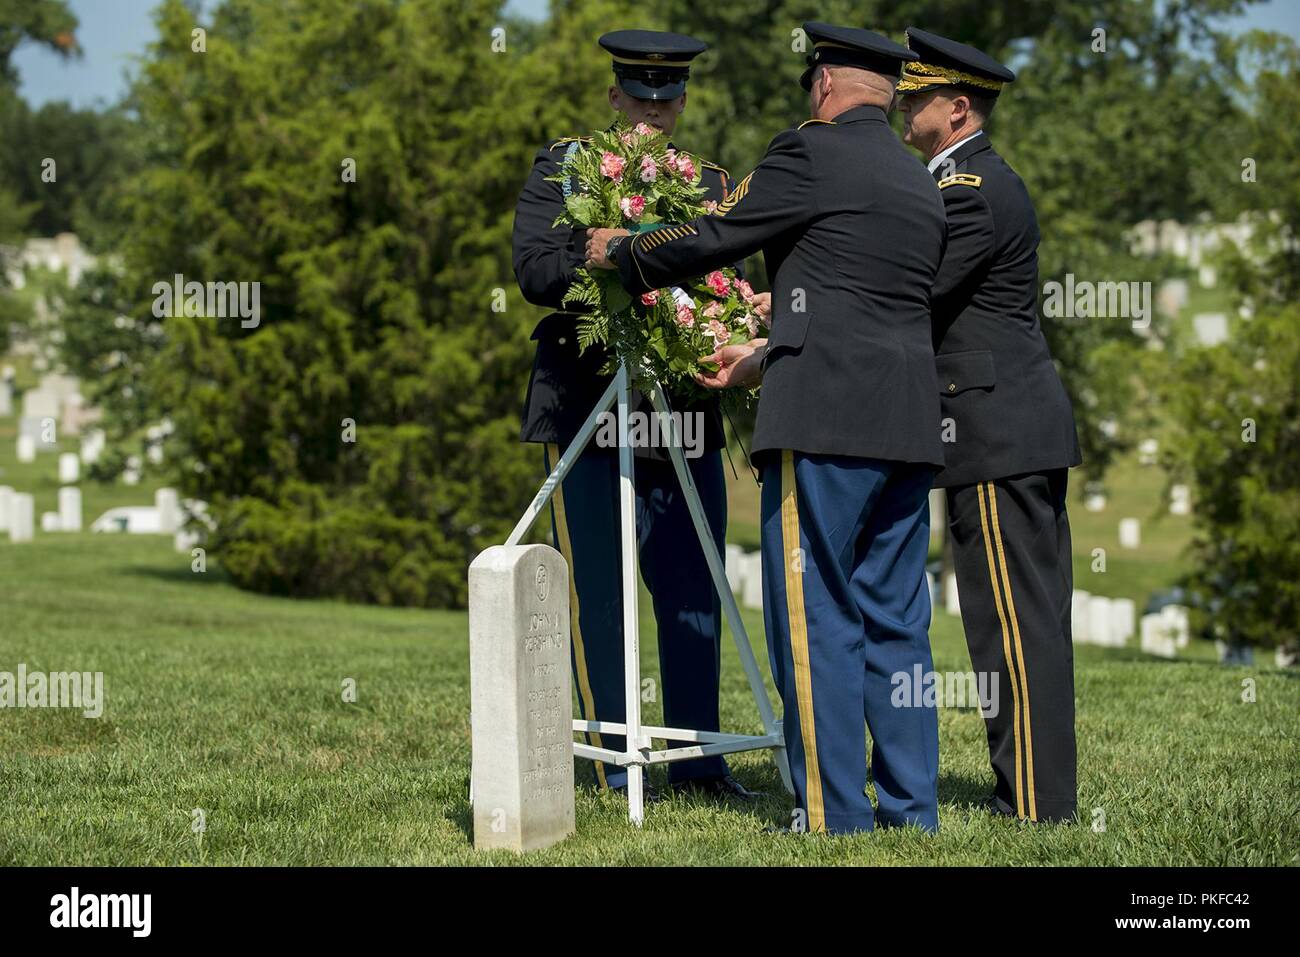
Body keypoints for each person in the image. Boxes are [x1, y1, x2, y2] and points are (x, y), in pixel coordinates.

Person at [587, 23, 948, 834]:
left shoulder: (808, 152)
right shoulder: (918, 180)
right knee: (897, 618)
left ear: (822, 84)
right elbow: (859, 294)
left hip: (824, 419)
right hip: (911, 422)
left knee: (814, 613)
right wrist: (763, 350)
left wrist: (623, 250)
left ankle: (831, 814)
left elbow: (715, 234)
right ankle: (912, 811)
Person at [511, 29, 758, 799]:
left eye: (668, 97)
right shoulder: (564, 169)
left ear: (682, 100)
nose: (654, 111)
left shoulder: (713, 185)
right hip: (589, 407)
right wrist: (597, 249)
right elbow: (533, 269)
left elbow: (729, 284)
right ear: (615, 95)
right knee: (598, 589)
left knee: (693, 589)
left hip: (681, 415)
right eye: (640, 96)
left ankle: (698, 761)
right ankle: (615, 757)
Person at [897, 28, 1083, 823]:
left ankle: (1040, 803)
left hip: (997, 432)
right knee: (1011, 623)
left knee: (1013, 627)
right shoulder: (967, 181)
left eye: (918, 96)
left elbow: (916, 291)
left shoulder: (968, 187)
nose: (904, 105)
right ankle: (1034, 795)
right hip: (1001, 431)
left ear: (959, 107)